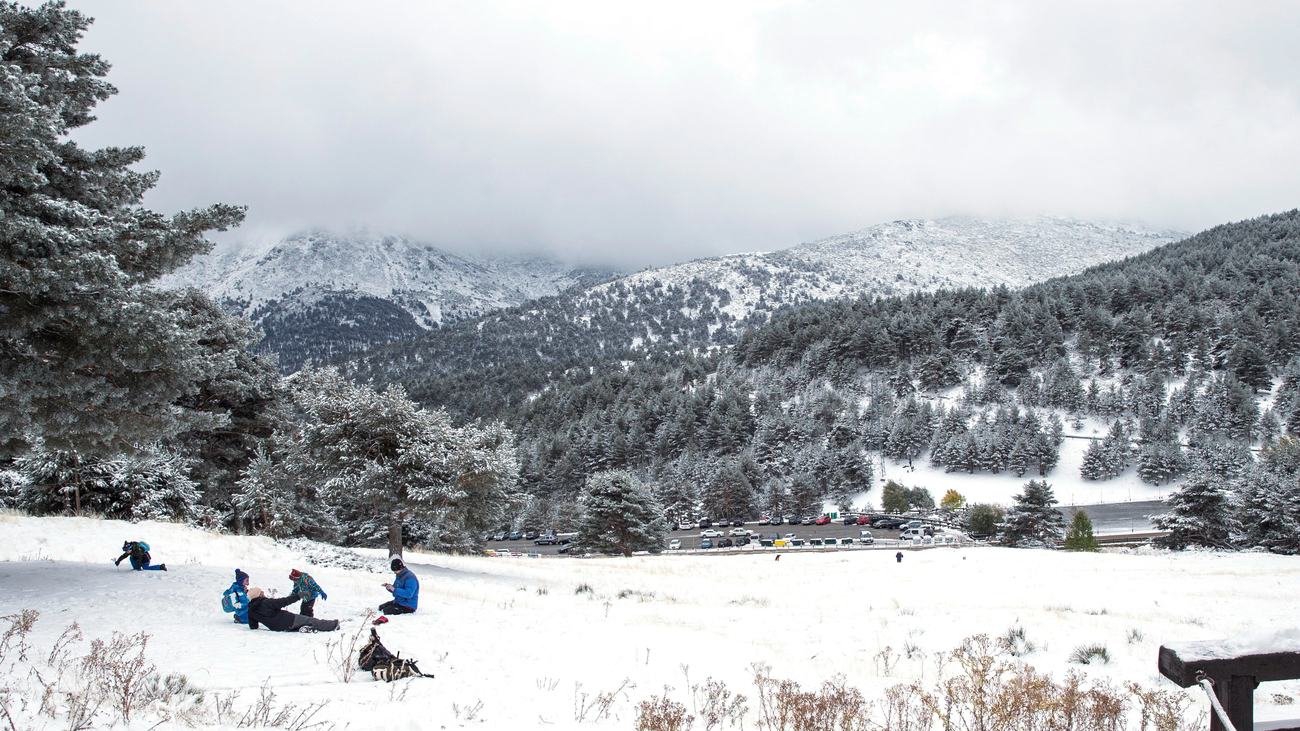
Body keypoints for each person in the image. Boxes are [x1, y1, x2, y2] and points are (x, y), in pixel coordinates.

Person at [246, 588, 339, 633]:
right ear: (258, 595)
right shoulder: (266, 602)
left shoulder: (251, 610)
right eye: (261, 592)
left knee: (302, 623)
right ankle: (333, 625)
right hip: (289, 620)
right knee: (310, 620)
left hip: (277, 628)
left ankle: (302, 628)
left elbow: (253, 626)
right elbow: (285, 601)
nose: (263, 593)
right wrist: (299, 595)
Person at [375, 557, 418, 623]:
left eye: (396, 570)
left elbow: (409, 594)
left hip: (407, 605)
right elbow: (395, 589)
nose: (395, 572)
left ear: (401, 568)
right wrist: (388, 586)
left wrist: (394, 589)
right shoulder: (400, 576)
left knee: (386, 611)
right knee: (381, 608)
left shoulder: (410, 578)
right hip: (399, 601)